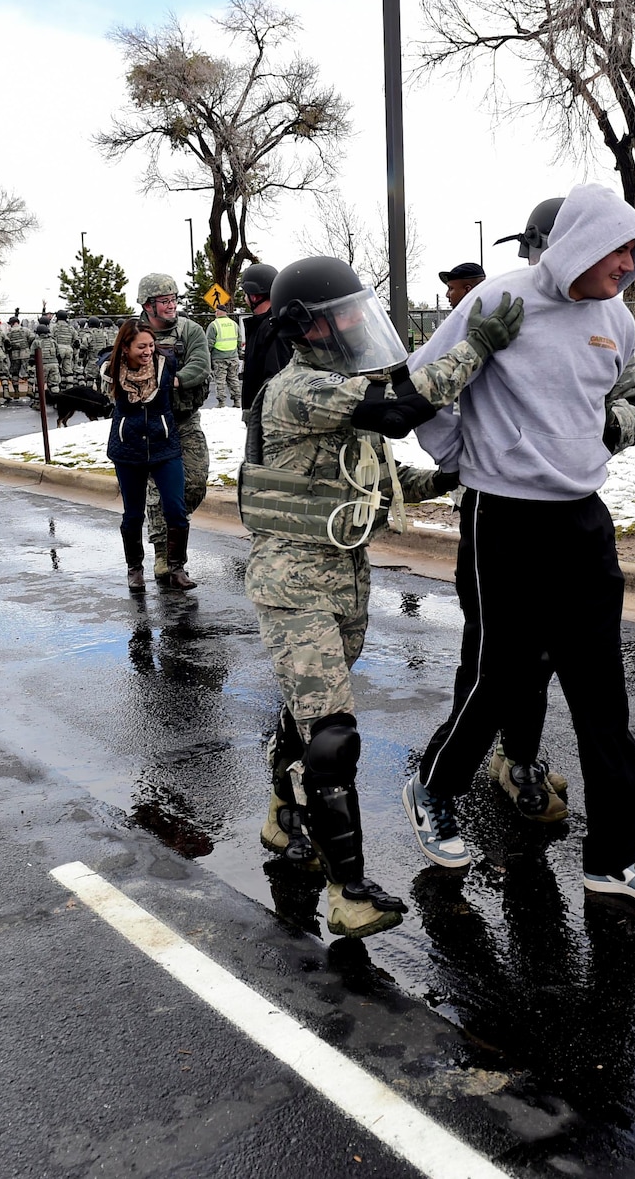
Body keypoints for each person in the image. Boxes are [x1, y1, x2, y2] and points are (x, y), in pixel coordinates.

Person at [404, 183, 635, 904]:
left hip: (583, 520)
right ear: (579, 243)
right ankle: (434, 789)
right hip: (505, 516)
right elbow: (424, 387)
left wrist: (599, 435)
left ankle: (615, 856)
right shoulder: (498, 301)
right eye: (620, 248)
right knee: (503, 676)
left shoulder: (616, 321)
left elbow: (628, 400)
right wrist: (464, 461)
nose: (629, 264)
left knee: (602, 693)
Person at [241, 254, 521, 938]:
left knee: (310, 709)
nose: (352, 325)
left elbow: (382, 478)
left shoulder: (341, 384)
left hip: (344, 575)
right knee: (333, 735)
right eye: (341, 314)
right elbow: (401, 411)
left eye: (354, 311)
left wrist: (455, 475)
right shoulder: (298, 391)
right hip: (293, 579)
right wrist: (476, 348)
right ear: (307, 328)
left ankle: (283, 807)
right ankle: (348, 889)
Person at [137, 275, 211, 587]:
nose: (171, 306)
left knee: (193, 482)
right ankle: (166, 557)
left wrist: (170, 380)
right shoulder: (134, 332)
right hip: (150, 423)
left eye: (173, 299)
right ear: (148, 305)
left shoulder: (190, 330)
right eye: (164, 301)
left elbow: (200, 366)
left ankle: (175, 528)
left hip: (184, 419)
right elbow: (115, 366)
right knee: (158, 492)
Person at [106, 318, 188, 592]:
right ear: (126, 347)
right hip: (127, 447)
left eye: (151, 345)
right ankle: (135, 569)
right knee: (133, 513)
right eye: (141, 346)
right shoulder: (111, 369)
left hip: (164, 444)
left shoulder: (167, 364)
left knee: (176, 509)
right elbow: (103, 360)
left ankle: (177, 568)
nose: (148, 351)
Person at [239, 264, 294, 462]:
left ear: (254, 296)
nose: (244, 298)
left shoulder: (273, 328)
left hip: (270, 420)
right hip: (260, 417)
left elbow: (274, 379)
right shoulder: (263, 325)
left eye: (245, 293)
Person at [208, 305, 242, 408]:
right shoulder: (234, 324)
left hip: (219, 356)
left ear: (218, 312)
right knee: (233, 379)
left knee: (220, 380)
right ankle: (237, 401)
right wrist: (239, 352)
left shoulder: (214, 325)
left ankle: (221, 402)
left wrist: (207, 355)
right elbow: (239, 340)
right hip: (233, 356)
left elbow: (209, 342)